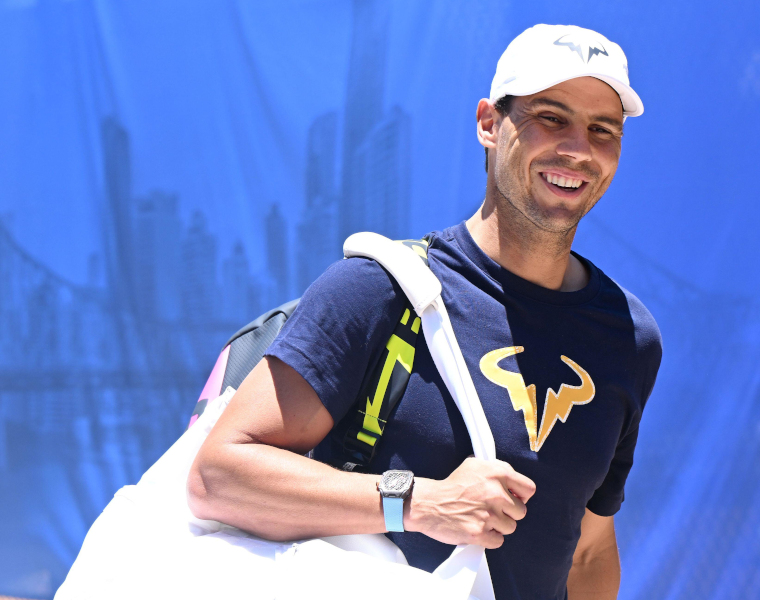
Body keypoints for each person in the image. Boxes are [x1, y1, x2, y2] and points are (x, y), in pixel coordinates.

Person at [187, 23, 662, 600]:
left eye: (602, 130)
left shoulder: (627, 336)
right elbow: (218, 477)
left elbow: (587, 551)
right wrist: (417, 502)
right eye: (551, 118)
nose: (578, 149)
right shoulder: (380, 290)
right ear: (489, 123)